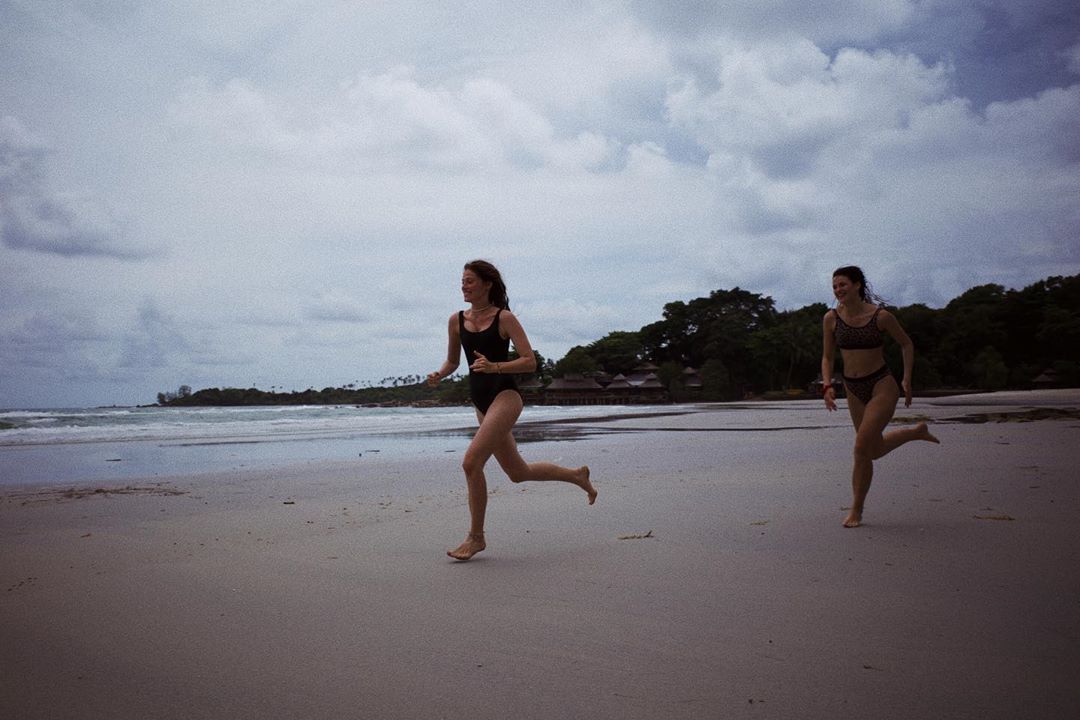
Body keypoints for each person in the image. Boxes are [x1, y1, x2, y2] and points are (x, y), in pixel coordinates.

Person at [427, 260, 597, 560]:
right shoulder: (456, 320)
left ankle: (476, 538)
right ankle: (577, 475)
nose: (463, 286)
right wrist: (439, 374)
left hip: (505, 396)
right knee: (518, 472)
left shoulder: (504, 318)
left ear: (487, 284)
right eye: (462, 281)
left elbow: (530, 361)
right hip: (480, 401)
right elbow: (453, 361)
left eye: (469, 280)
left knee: (471, 463)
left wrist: (495, 367)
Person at [821, 266, 939, 528]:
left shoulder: (880, 316)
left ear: (857, 285)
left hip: (881, 385)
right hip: (853, 388)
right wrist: (827, 385)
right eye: (835, 286)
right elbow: (827, 357)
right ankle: (915, 432)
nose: (838, 290)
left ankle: (856, 509)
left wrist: (906, 378)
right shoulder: (831, 318)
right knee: (871, 451)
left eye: (843, 284)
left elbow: (906, 344)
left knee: (860, 447)